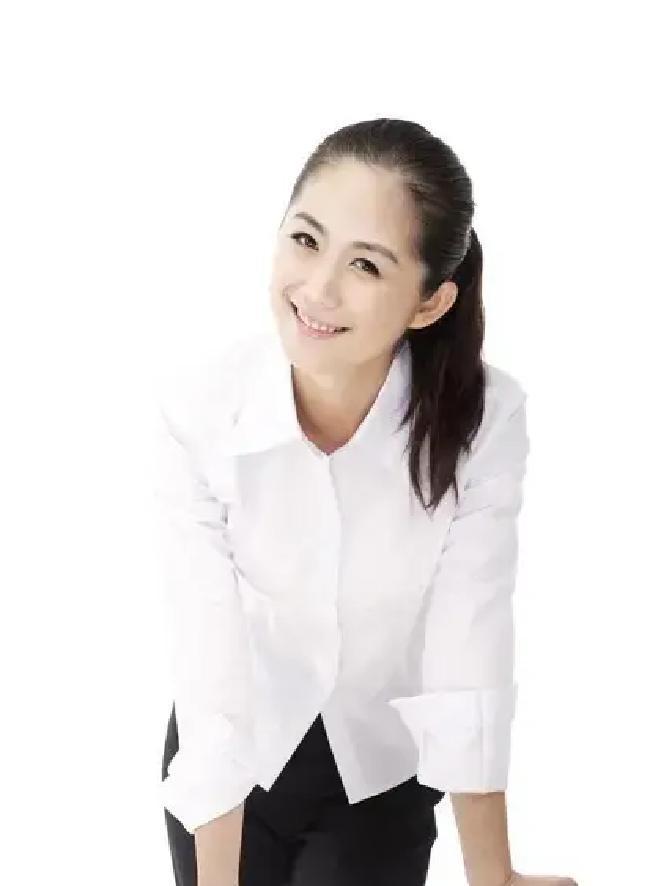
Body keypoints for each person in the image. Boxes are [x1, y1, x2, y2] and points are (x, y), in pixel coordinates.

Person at [155, 117, 578, 886]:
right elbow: (212, 672)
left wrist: (495, 876)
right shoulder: (202, 411)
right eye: (306, 240)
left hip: (378, 772)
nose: (317, 289)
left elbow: (468, 645)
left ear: (429, 303)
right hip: (237, 758)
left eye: (366, 265)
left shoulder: (485, 420)